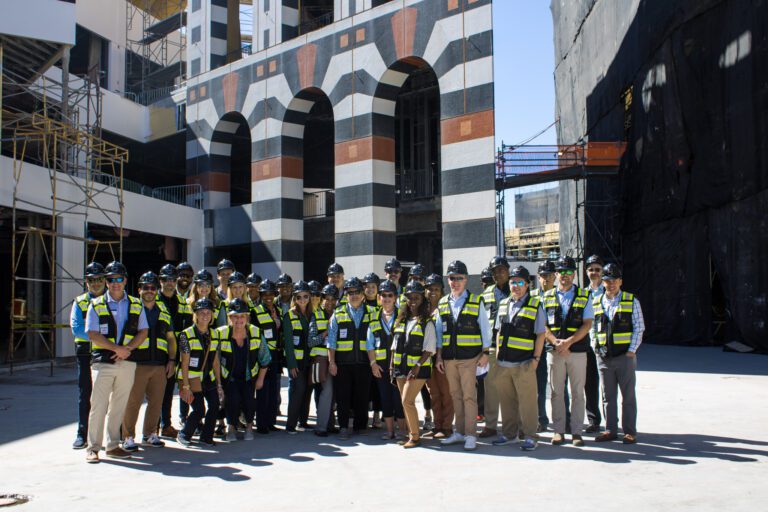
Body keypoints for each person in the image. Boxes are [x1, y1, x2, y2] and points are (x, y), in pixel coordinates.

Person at [84, 261, 149, 463]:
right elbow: (92, 333)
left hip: (127, 362)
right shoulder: (96, 304)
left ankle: (112, 445)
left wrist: (127, 350)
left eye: (119, 279)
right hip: (103, 362)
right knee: (98, 405)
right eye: (111, 279)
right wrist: (116, 349)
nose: (115, 283)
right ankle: (93, 447)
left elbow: (143, 331)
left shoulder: (136, 304)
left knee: (118, 406)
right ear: (106, 281)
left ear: (125, 281)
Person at [435, 260, 492, 451]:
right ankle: (459, 432)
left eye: (459, 278)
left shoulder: (476, 301)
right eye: (452, 278)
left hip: (470, 358)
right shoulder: (443, 302)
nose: (455, 281)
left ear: (466, 280)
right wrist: (439, 357)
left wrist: (486, 353)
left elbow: (485, 328)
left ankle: (470, 435)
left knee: (469, 397)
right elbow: (439, 334)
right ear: (448, 280)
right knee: (455, 396)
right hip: (449, 358)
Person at [492, 266, 546, 452]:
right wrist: (498, 353)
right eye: (513, 282)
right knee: (507, 403)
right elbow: (499, 331)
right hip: (504, 363)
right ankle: (509, 434)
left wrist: (536, 359)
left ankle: (531, 436)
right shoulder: (504, 303)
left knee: (528, 402)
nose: (516, 286)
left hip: (524, 363)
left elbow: (540, 334)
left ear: (528, 284)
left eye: (520, 282)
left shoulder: (535, 304)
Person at [122, 272, 177, 451]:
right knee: (133, 402)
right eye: (145, 287)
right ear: (139, 289)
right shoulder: (132, 309)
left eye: (153, 288)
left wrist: (171, 360)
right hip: (137, 363)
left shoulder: (163, 311)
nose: (149, 291)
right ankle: (128, 436)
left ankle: (150, 434)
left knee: (156, 402)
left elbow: (170, 339)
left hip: (159, 365)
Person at [543, 255, 594, 447]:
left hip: (577, 351)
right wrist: (556, 341)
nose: (564, 275)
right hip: (554, 351)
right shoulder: (546, 297)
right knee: (556, 392)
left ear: (574, 274)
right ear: (556, 274)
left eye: (568, 272)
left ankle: (577, 432)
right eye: (561, 272)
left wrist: (568, 342)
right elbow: (543, 325)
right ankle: (558, 431)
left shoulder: (584, 296)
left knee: (578, 393)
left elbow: (587, 324)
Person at [592, 263, 645, 444]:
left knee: (628, 396)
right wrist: (596, 348)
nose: (611, 283)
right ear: (603, 282)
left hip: (625, 357)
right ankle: (610, 430)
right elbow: (592, 327)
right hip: (604, 357)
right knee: (608, 397)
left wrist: (631, 351)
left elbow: (639, 328)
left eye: (614, 280)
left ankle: (630, 431)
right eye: (607, 280)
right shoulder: (596, 301)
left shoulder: (631, 301)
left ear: (620, 281)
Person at [327, 277, 377, 439]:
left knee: (362, 396)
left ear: (363, 294)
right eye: (350, 292)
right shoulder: (338, 313)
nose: (354, 295)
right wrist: (332, 362)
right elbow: (332, 340)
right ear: (346, 295)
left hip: (364, 362)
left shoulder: (372, 313)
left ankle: (360, 426)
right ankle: (343, 426)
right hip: (342, 363)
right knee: (343, 397)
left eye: (357, 292)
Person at [216, 298, 270, 441]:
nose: (238, 319)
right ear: (229, 318)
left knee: (249, 401)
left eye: (242, 316)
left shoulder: (256, 332)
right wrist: (218, 382)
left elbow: (265, 358)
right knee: (232, 400)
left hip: (249, 377)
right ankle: (231, 429)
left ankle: (249, 428)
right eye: (235, 316)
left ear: (247, 317)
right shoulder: (220, 333)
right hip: (229, 377)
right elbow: (213, 359)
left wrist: (260, 379)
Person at [390, 281, 436, 448]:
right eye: (409, 297)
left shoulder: (427, 322)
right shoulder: (401, 320)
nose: (413, 300)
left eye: (416, 297)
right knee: (405, 403)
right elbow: (394, 346)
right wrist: (391, 367)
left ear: (422, 299)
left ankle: (415, 437)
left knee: (407, 401)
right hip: (400, 368)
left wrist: (417, 366)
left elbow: (429, 349)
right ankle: (411, 434)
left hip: (418, 369)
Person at [177, 298, 224, 447]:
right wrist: (185, 387)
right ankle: (184, 434)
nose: (205, 315)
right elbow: (184, 362)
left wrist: (219, 384)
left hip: (208, 377)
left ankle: (206, 437)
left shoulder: (215, 334)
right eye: (201, 312)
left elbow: (216, 361)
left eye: (208, 312)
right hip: (191, 378)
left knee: (215, 405)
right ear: (195, 314)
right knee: (199, 410)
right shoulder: (186, 334)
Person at [70, 262, 107, 449]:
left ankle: (109, 436)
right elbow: (77, 329)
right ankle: (82, 434)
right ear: (86, 282)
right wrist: (101, 338)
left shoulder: (112, 301)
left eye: (99, 279)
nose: (96, 283)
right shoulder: (80, 302)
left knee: (108, 396)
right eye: (92, 280)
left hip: (107, 353)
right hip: (86, 354)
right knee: (86, 394)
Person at [367, 280, 405, 441]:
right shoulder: (373, 317)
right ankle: (389, 432)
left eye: (390, 295)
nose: (386, 298)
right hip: (381, 367)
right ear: (379, 297)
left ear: (395, 297)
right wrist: (373, 364)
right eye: (383, 295)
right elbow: (369, 344)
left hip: (399, 366)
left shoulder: (403, 315)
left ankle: (403, 433)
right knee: (385, 399)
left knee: (399, 400)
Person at [157, 263, 192, 437]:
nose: (169, 283)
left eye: (172, 279)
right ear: (160, 281)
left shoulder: (183, 303)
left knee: (168, 391)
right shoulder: (153, 300)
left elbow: (186, 329)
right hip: (155, 354)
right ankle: (152, 428)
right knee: (155, 392)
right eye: (166, 279)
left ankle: (166, 425)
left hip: (174, 354)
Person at [478, 256, 510, 439]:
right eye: (495, 271)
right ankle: (490, 425)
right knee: (490, 389)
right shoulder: (485, 295)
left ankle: (513, 424)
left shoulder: (517, 289)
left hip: (512, 348)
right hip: (491, 348)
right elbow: (481, 324)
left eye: (502, 270)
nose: (499, 273)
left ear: (507, 270)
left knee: (511, 390)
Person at [423, 273, 454, 439]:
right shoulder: (422, 309)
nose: (432, 292)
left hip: (442, 356)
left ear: (441, 291)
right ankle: (437, 425)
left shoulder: (445, 308)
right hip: (427, 357)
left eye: (436, 289)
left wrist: (440, 356)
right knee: (433, 393)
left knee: (446, 393)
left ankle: (447, 427)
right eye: (429, 289)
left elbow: (443, 335)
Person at [283, 281, 314, 434]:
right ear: (294, 298)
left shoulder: (312, 314)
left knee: (307, 390)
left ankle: (303, 421)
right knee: (298, 390)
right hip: (296, 362)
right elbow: (288, 343)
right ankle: (290, 424)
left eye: (305, 296)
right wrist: (291, 364)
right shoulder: (289, 315)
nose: (302, 300)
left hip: (310, 360)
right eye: (299, 297)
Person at [253, 279, 283, 433]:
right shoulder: (255, 311)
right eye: (265, 294)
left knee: (273, 391)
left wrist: (278, 322)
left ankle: (271, 422)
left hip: (276, 356)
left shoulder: (278, 310)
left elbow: (282, 331)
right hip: (263, 356)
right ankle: (262, 424)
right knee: (263, 392)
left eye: (271, 294)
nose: (268, 297)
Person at [311, 284, 339, 437]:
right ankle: (321, 426)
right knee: (327, 392)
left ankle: (330, 424)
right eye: (326, 299)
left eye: (333, 299)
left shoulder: (340, 314)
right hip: (322, 360)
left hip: (337, 359)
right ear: (322, 299)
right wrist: (324, 334)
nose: (329, 302)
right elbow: (310, 341)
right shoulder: (316, 315)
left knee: (334, 393)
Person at [531, 260, 555, 432]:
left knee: (557, 387)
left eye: (549, 275)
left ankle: (564, 421)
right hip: (537, 347)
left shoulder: (560, 295)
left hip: (556, 348)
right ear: (538, 277)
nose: (546, 279)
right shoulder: (531, 296)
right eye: (543, 275)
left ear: (555, 276)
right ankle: (541, 419)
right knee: (538, 386)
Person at [583, 254, 605, 433]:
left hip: (606, 346)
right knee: (589, 384)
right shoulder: (582, 294)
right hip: (588, 346)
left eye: (597, 269)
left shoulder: (610, 291)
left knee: (608, 386)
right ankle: (593, 420)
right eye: (591, 270)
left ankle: (612, 422)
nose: (594, 273)